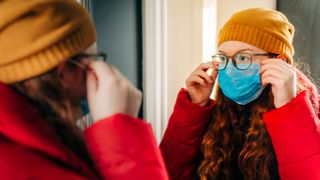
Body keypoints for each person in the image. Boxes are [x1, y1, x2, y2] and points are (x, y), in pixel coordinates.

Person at [0, 0, 168, 179]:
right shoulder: (20, 167)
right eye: (92, 58)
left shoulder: (32, 142)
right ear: (63, 72)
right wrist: (121, 128)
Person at [160, 8, 320, 180]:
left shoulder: (311, 116)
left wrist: (289, 108)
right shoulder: (219, 113)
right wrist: (194, 109)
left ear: (278, 62)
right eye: (223, 58)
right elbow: (166, 174)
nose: (229, 69)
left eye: (242, 58)